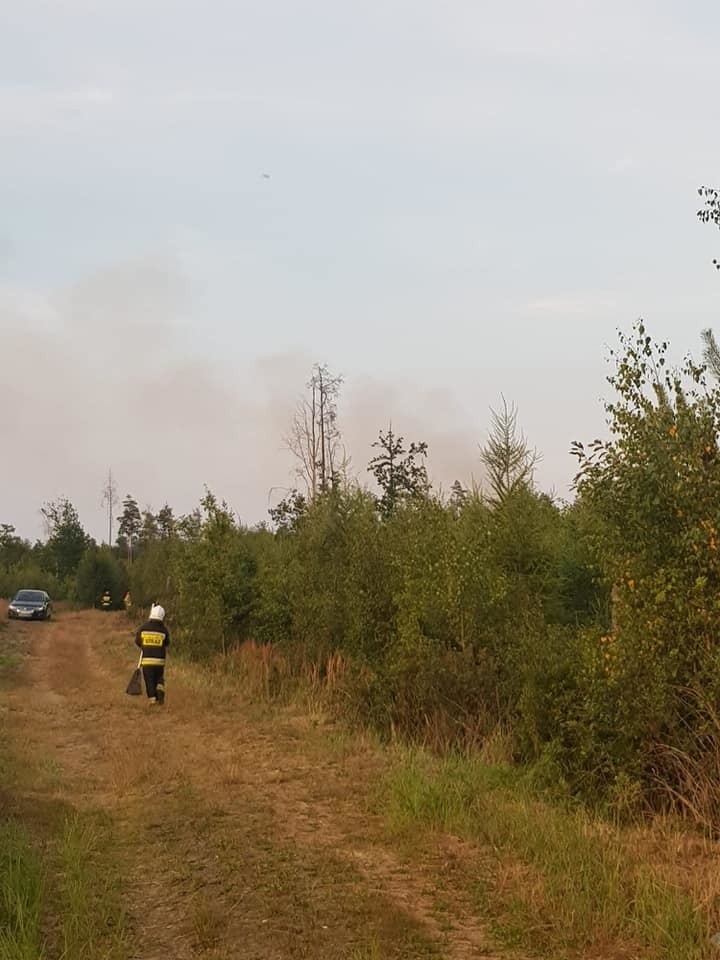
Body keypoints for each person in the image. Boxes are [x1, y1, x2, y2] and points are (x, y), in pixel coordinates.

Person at [134, 604, 170, 706]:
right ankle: (159, 689)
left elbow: (137, 641)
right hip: (160, 661)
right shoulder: (164, 630)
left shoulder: (143, 628)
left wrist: (144, 646)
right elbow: (167, 643)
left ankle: (153, 699)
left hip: (147, 661)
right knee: (159, 677)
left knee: (149, 679)